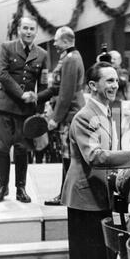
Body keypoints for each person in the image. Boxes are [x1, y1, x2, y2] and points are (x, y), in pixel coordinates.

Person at [61, 61, 130, 259]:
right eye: (109, 80)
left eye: (116, 79)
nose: (115, 84)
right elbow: (95, 156)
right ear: (93, 85)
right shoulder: (84, 116)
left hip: (100, 196)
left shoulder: (107, 112)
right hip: (84, 199)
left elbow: (109, 153)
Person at [0, 16, 47, 203]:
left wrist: (39, 112)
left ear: (36, 32)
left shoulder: (42, 54)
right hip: (4, 107)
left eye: (32, 29)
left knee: (22, 149)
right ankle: (2, 186)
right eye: (25, 28)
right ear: (19, 30)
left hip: (26, 111)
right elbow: (2, 75)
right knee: (2, 148)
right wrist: (22, 94)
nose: (29, 32)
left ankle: (20, 188)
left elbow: (43, 84)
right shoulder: (7, 47)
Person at [40, 26, 85, 206]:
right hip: (71, 111)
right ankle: (66, 193)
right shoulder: (70, 57)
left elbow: (66, 94)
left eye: (57, 40)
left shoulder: (70, 59)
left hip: (70, 113)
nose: (54, 42)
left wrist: (55, 119)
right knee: (68, 156)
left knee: (68, 156)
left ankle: (65, 195)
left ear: (66, 41)